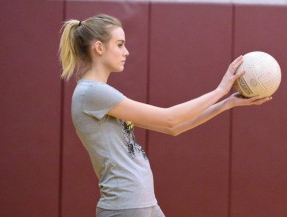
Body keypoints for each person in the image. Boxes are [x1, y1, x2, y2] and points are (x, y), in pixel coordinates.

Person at [59, 14, 271, 217]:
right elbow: (170, 117)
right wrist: (219, 91)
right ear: (99, 47)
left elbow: (174, 128)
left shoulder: (98, 93)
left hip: (144, 204)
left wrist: (227, 103)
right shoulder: (92, 93)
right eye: (120, 44)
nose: (127, 52)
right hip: (125, 207)